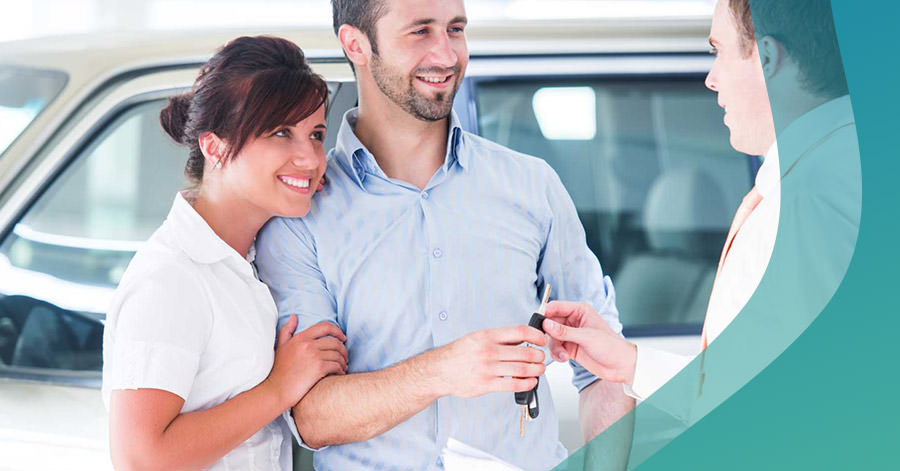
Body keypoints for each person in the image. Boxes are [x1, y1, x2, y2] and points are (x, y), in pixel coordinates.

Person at [253, 0, 633, 469]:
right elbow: (311, 417)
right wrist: (442, 370)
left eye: (456, 29)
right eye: (420, 32)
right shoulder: (300, 216)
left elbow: (603, 370)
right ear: (356, 45)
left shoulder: (532, 187)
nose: (447, 55)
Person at [539, 0, 860, 403]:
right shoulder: (823, 180)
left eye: (718, 51)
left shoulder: (816, 202)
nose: (711, 78)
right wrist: (631, 363)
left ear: (766, 57)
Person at [101, 36, 349, 471]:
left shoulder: (247, 256)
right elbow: (141, 458)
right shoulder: (172, 279)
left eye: (316, 134)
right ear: (214, 147)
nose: (311, 158)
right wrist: (279, 388)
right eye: (280, 133)